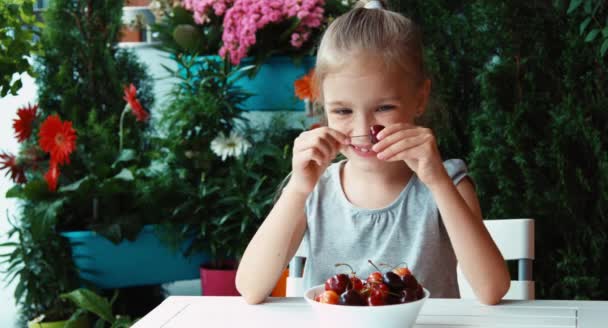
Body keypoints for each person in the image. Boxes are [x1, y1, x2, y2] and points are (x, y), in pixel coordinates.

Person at [235, 0, 510, 305]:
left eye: (384, 108)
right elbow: (250, 287)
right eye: (342, 110)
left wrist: (438, 182)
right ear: (322, 106)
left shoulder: (449, 182)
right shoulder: (316, 190)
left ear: (420, 99)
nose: (362, 129)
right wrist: (299, 188)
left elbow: (492, 290)